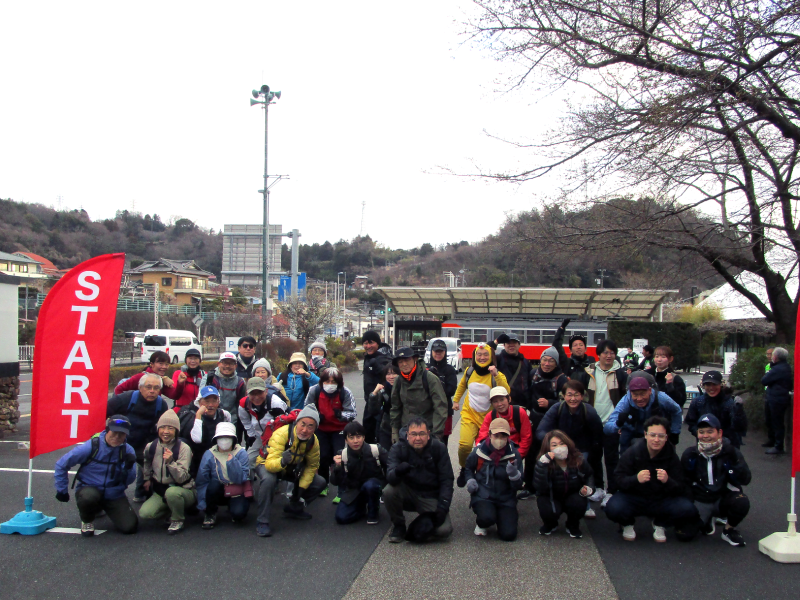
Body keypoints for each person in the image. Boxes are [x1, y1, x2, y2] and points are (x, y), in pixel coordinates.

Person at [604, 416, 698, 542]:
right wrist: (635, 479)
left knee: (688, 508)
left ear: (666, 437)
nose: (656, 439)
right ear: (645, 434)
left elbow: (681, 486)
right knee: (613, 508)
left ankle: (661, 523)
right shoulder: (633, 452)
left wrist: (667, 480)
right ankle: (627, 523)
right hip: (635, 497)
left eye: (661, 436)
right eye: (652, 435)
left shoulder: (671, 455)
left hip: (661, 499)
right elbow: (618, 480)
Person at [54, 415, 138, 536]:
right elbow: (62, 464)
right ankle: (87, 520)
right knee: (88, 497)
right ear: (107, 430)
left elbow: (129, 480)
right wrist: (62, 490)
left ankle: (104, 507)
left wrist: (129, 467)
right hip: (90, 488)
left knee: (130, 527)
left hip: (114, 493)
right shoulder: (92, 446)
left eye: (122, 434)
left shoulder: (128, 450)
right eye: (114, 432)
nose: (117, 437)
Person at [253, 405, 327, 537]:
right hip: (267, 463)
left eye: (310, 426)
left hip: (291, 467)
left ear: (315, 428)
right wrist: (282, 461)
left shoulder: (313, 441)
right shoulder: (281, 434)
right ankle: (262, 520)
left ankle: (294, 508)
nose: (304, 430)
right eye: (302, 424)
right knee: (269, 480)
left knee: (320, 482)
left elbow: (312, 467)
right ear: (296, 422)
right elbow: (270, 464)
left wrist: (300, 490)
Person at [681, 414, 751, 547]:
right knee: (684, 535)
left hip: (722, 499)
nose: (705, 436)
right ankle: (705, 519)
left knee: (741, 501)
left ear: (719, 433)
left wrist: (735, 463)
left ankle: (728, 530)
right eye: (701, 432)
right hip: (701, 500)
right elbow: (684, 481)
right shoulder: (690, 454)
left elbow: (746, 479)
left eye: (710, 431)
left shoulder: (731, 452)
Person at [535, 380, 603, 517]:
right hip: (560, 447)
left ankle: (586, 505)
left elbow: (598, 434)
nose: (573, 399)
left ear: (582, 396)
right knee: (558, 475)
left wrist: (594, 452)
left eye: (577, 395)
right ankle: (555, 503)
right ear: (563, 396)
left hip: (581, 448)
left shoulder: (589, 411)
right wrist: (553, 443)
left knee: (581, 474)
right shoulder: (556, 409)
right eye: (569, 395)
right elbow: (541, 430)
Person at [574, 339, 628, 507]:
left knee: (612, 459)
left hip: (612, 423)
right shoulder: (588, 372)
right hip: (593, 423)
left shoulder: (620, 374)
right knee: (595, 458)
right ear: (598, 355)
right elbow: (581, 395)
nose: (609, 356)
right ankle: (598, 488)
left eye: (612, 353)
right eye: (605, 353)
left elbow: (626, 397)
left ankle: (611, 490)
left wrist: (622, 422)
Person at [385, 417, 454, 543]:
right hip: (408, 492)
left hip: (430, 495)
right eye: (413, 434)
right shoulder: (398, 448)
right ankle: (399, 525)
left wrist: (443, 506)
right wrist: (398, 471)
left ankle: (424, 518)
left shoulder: (439, 448)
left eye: (422, 434)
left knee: (444, 531)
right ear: (407, 435)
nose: (418, 438)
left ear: (428, 434)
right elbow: (390, 476)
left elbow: (447, 480)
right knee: (388, 491)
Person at [107, 372, 169, 502]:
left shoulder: (161, 404)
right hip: (120, 442)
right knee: (109, 472)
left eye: (156, 388)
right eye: (148, 387)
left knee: (153, 468)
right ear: (140, 388)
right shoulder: (125, 398)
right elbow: (104, 412)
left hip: (143, 443)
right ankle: (104, 500)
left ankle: (143, 494)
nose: (152, 391)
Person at [453, 344, 510, 477]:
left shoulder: (496, 374)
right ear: (474, 356)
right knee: (465, 446)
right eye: (479, 354)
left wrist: (496, 375)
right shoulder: (469, 371)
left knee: (485, 450)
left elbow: (506, 391)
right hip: (469, 415)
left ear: (491, 357)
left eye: (486, 355)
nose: (482, 357)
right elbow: (462, 386)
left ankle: (483, 475)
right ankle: (464, 468)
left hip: (489, 418)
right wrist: (456, 401)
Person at [464, 418, 524, 541]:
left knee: (509, 535)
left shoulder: (514, 455)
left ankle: (502, 518)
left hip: (506, 498)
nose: (500, 439)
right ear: (490, 434)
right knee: (486, 517)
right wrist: (470, 480)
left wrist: (514, 475)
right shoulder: (478, 452)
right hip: (484, 495)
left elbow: (519, 485)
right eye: (496, 435)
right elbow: (468, 469)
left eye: (503, 436)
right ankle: (483, 522)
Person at [304, 366, 357, 500]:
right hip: (321, 429)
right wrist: (316, 416)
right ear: (322, 382)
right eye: (327, 381)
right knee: (323, 456)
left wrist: (341, 414)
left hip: (339, 429)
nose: (330, 385)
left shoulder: (345, 392)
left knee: (339, 457)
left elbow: (352, 412)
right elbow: (306, 408)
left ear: (339, 383)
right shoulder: (314, 391)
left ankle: (341, 488)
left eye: (333, 382)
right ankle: (324, 484)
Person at [139, 410, 196, 534]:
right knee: (145, 513)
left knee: (172, 493)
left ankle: (177, 519)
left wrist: (170, 462)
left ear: (176, 431)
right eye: (162, 427)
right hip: (161, 490)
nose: (166, 432)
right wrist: (147, 478)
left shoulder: (183, 448)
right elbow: (146, 461)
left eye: (170, 428)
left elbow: (182, 477)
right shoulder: (151, 446)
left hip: (183, 488)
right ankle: (172, 508)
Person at [534, 430, 595, 538]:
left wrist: (589, 488)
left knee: (579, 503)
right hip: (552, 496)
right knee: (546, 506)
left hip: (572, 494)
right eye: (554, 445)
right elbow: (540, 487)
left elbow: (589, 475)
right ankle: (550, 524)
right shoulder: (544, 462)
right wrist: (542, 466)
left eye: (562, 444)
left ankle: (573, 524)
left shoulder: (578, 460)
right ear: (548, 448)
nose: (559, 447)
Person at [330, 420, 388, 525]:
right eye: (351, 438)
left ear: (364, 437)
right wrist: (337, 467)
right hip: (354, 490)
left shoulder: (376, 450)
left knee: (371, 485)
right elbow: (335, 482)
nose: (355, 441)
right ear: (346, 440)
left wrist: (388, 488)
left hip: (373, 486)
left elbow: (390, 467)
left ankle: (373, 510)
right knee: (341, 518)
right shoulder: (342, 454)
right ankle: (360, 508)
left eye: (358, 437)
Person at [606, 376, 683, 454]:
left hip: (657, 433)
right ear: (630, 392)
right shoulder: (625, 402)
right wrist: (618, 423)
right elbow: (607, 428)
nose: (639, 399)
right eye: (635, 395)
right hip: (634, 434)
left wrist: (675, 432)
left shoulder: (661, 398)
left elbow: (677, 410)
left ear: (650, 391)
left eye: (642, 394)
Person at [195, 422, 251, 529]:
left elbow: (241, 479)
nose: (224, 440)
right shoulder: (209, 454)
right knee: (213, 485)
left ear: (233, 439)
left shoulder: (241, 453)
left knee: (239, 514)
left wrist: (232, 463)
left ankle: (233, 507)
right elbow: (202, 480)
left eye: (227, 437)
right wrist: (203, 504)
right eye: (221, 437)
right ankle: (210, 513)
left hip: (236, 488)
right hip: (217, 490)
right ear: (216, 439)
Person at [391, 347, 449, 442]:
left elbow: (440, 407)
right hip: (406, 430)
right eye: (400, 362)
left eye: (407, 360)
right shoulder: (398, 381)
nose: (404, 364)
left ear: (415, 359)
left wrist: (436, 435)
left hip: (428, 430)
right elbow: (395, 407)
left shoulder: (429, 378)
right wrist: (394, 432)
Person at [178, 385, 232, 478]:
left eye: (214, 401)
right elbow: (197, 439)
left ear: (218, 402)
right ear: (199, 402)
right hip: (196, 458)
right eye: (206, 401)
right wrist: (199, 414)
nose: (210, 405)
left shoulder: (224, 414)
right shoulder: (191, 416)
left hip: (216, 456)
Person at [685, 371, 746, 449]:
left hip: (728, 446)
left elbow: (739, 427)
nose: (711, 388)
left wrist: (739, 410)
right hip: (704, 446)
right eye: (708, 385)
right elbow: (691, 423)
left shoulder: (730, 403)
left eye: (714, 384)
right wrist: (701, 434)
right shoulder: (697, 402)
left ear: (721, 384)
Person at [198, 352, 247, 440]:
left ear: (236, 366)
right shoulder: (209, 378)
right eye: (224, 363)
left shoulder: (240, 382)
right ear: (219, 364)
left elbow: (241, 405)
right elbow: (201, 398)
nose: (227, 366)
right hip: (211, 419)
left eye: (231, 363)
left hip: (232, 421)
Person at [238, 376, 288, 461]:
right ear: (247, 393)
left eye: (259, 393)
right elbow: (245, 420)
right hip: (260, 437)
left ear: (266, 391)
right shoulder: (244, 404)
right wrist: (251, 435)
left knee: (274, 461)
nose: (256, 397)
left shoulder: (276, 404)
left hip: (278, 437)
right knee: (248, 460)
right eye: (253, 394)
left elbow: (285, 426)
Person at [476, 387, 533, 461]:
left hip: (515, 451)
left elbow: (526, 437)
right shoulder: (490, 416)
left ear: (509, 399)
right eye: (495, 401)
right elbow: (482, 437)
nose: (499, 404)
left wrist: (517, 456)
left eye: (502, 400)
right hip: (495, 452)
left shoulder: (520, 412)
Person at [362, 330, 394, 444]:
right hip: (370, 401)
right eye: (365, 343)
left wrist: (376, 365)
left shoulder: (384, 358)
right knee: (367, 433)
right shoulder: (368, 357)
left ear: (378, 344)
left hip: (381, 403)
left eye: (371, 343)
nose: (368, 346)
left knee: (380, 435)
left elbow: (389, 376)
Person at [761, 347, 794, 454]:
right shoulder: (784, 367)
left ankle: (778, 445)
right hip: (775, 397)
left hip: (777, 398)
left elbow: (764, 380)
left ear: (776, 357)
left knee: (777, 422)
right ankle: (773, 441)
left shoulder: (778, 369)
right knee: (770, 420)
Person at [114, 350, 181, 401]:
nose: (164, 367)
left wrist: (180, 383)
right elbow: (118, 389)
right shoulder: (140, 377)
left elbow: (174, 396)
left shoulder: (161, 380)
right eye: (161, 364)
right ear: (152, 364)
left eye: (166, 364)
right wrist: (124, 407)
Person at [488, 333, 532, 409]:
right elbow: (485, 352)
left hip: (522, 404)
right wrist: (496, 342)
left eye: (514, 343)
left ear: (519, 345)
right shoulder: (497, 360)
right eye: (508, 343)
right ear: (504, 345)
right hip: (502, 403)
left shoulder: (525, 362)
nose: (511, 345)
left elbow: (529, 383)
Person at [427, 339, 458, 444]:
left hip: (445, 411)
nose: (438, 354)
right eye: (436, 351)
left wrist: (437, 381)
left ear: (445, 352)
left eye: (441, 351)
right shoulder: (425, 369)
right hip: (427, 411)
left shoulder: (450, 370)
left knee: (442, 444)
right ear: (431, 352)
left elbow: (451, 390)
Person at [528, 346, 568, 429]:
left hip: (553, 419)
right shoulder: (533, 374)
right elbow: (527, 393)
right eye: (544, 360)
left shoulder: (561, 379)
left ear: (556, 364)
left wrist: (549, 403)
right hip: (533, 417)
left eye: (551, 361)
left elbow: (566, 402)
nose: (547, 364)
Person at [367, 363, 399, 451]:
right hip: (386, 428)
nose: (391, 377)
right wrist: (374, 394)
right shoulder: (382, 391)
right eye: (388, 374)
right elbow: (373, 411)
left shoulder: (404, 389)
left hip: (401, 427)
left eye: (394, 373)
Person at [171, 348, 205, 413]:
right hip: (181, 411)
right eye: (190, 358)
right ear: (186, 360)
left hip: (199, 411)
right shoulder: (179, 373)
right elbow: (174, 394)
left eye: (195, 358)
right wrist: (180, 384)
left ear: (200, 360)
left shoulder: (204, 375)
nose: (193, 361)